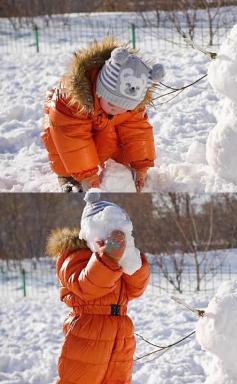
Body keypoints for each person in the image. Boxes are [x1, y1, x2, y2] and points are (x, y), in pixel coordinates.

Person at [47, 192, 150, 383]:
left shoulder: (119, 258)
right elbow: (87, 286)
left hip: (121, 330)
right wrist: (108, 257)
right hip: (89, 329)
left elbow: (135, 290)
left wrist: (134, 262)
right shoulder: (74, 256)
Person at [42, 37, 164, 192]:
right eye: (112, 103)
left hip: (101, 127)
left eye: (124, 108)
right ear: (100, 91)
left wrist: (141, 166)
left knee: (117, 135)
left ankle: (106, 162)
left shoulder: (132, 101)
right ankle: (66, 177)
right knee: (61, 144)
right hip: (64, 131)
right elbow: (73, 138)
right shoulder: (70, 101)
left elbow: (138, 132)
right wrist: (88, 176)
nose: (117, 110)